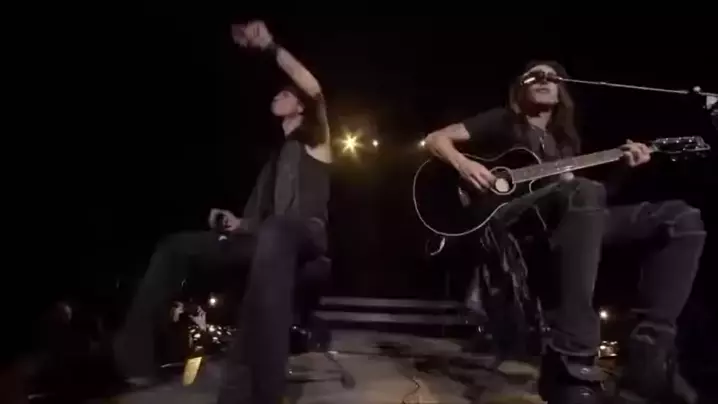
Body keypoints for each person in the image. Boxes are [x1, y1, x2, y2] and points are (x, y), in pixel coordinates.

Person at [422, 61, 706, 404]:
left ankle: (649, 350)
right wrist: (467, 166)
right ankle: (571, 358)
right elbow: (436, 140)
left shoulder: (564, 142)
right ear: (519, 88)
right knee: (582, 190)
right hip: (511, 220)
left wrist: (623, 169)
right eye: (534, 76)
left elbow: (589, 204)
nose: (543, 79)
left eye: (551, 77)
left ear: (561, 93)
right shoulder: (502, 120)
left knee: (680, 218)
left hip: (561, 219)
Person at [113, 20, 332, 404]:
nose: (277, 95)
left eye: (285, 93)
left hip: (305, 236)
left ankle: (257, 390)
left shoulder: (317, 141)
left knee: (277, 232)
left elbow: (314, 89)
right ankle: (135, 358)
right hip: (264, 237)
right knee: (175, 247)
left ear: (300, 107)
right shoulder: (272, 162)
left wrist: (269, 47)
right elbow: (259, 222)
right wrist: (235, 222)